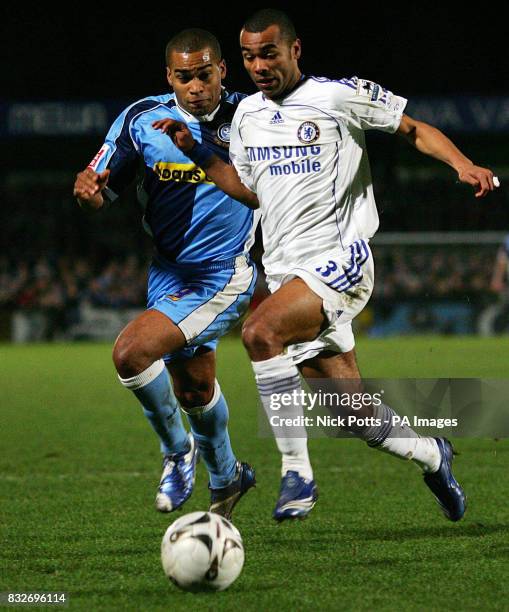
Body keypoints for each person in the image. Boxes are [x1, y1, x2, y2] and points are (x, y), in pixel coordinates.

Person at [153, 9, 498, 522]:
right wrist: (198, 151)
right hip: (289, 275)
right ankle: (432, 453)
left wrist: (462, 164)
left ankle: (298, 472)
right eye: (248, 57)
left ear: (295, 50)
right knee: (351, 411)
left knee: (259, 332)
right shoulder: (246, 115)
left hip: (343, 259)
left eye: (268, 53)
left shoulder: (337, 96)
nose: (258, 65)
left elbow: (412, 129)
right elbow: (248, 192)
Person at [73, 28, 258, 519]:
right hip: (168, 272)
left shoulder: (254, 116)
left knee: (132, 353)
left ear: (222, 70)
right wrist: (89, 194)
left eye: (204, 74)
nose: (195, 86)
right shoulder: (141, 119)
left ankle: (178, 453)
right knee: (194, 390)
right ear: (169, 77)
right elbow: (102, 189)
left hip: (224, 274)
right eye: (184, 77)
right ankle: (229, 477)